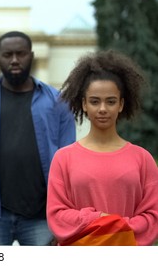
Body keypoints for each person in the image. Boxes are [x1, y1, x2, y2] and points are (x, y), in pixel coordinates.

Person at [0, 31, 76, 246]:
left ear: (31, 56)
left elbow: (69, 161)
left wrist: (64, 213)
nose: (14, 60)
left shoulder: (57, 102)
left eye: (21, 53)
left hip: (42, 215)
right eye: (8, 54)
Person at [46, 50, 158, 246]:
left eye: (111, 101)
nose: (103, 109)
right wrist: (102, 219)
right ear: (84, 104)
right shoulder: (63, 158)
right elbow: (57, 216)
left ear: (121, 104)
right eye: (95, 101)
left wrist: (110, 225)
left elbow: (152, 218)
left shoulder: (143, 159)